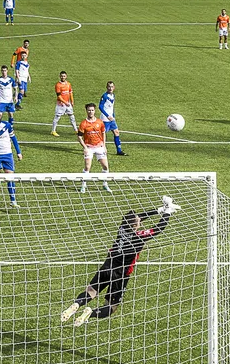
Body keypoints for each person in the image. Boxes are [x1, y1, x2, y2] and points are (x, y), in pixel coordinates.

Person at [60, 196, 178, 324]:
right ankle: (89, 313)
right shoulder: (139, 237)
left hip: (108, 265)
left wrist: (160, 209)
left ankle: (77, 304)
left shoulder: (122, 227)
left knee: (91, 291)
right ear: (135, 225)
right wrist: (167, 213)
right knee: (110, 307)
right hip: (120, 274)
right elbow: (158, 228)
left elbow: (139, 217)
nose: (140, 220)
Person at [78, 103, 112, 192]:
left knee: (105, 166)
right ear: (86, 111)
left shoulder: (100, 122)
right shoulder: (83, 123)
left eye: (92, 110)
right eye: (89, 110)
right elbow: (79, 137)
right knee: (87, 167)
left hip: (99, 146)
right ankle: (83, 185)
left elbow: (103, 133)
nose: (91, 112)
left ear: (94, 111)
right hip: (89, 147)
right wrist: (85, 147)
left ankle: (105, 184)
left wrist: (104, 145)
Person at [98, 81, 125, 156]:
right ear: (106, 87)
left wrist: (113, 116)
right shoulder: (104, 96)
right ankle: (100, 149)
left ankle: (119, 150)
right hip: (105, 119)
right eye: (109, 87)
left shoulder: (113, 96)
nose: (110, 88)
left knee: (116, 132)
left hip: (111, 119)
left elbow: (111, 107)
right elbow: (100, 106)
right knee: (102, 134)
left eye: (112, 87)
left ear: (114, 87)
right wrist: (107, 116)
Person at [51, 70, 77, 135]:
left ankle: (76, 130)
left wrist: (72, 101)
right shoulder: (58, 85)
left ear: (66, 76)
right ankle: (53, 131)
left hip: (68, 103)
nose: (63, 77)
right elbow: (59, 96)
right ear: (60, 76)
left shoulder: (68, 84)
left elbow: (70, 93)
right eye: (62, 76)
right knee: (57, 117)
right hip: (61, 104)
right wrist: (65, 102)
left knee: (72, 116)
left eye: (64, 76)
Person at [13, 40, 31, 107]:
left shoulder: (27, 63)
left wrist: (29, 77)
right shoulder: (18, 63)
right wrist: (18, 78)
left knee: (23, 92)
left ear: (26, 56)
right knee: (22, 91)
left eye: (25, 55)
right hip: (20, 78)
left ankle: (16, 99)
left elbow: (27, 70)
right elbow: (17, 71)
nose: (23, 56)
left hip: (25, 78)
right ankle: (17, 104)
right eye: (22, 55)